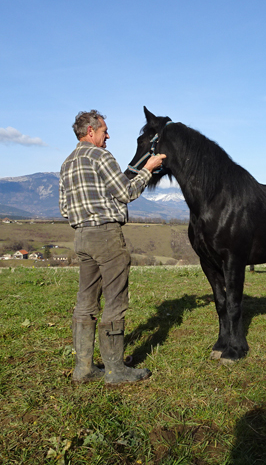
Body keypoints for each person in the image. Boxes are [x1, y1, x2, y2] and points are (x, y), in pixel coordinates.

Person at [59, 110, 165, 386]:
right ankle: (115, 370)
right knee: (115, 302)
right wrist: (148, 169)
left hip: (81, 237)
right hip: (106, 235)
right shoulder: (101, 157)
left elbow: (63, 208)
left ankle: (83, 368)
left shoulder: (67, 163)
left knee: (85, 303)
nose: (108, 135)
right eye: (105, 130)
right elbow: (126, 192)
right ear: (91, 132)